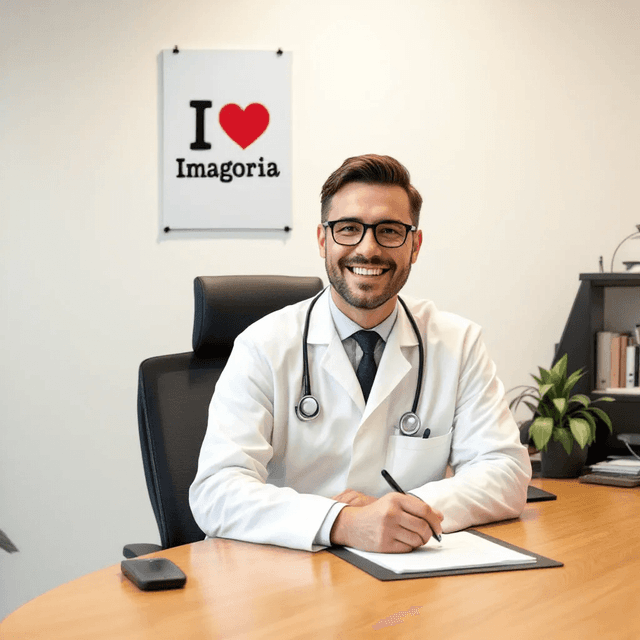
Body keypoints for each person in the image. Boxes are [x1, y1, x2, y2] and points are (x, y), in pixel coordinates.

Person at [189, 154, 531, 554]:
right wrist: (343, 523)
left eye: (389, 231)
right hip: (291, 580)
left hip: (409, 576)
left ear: (415, 245)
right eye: (348, 229)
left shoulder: (458, 343)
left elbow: (505, 471)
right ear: (323, 239)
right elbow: (217, 489)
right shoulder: (262, 346)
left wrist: (403, 514)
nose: (368, 249)